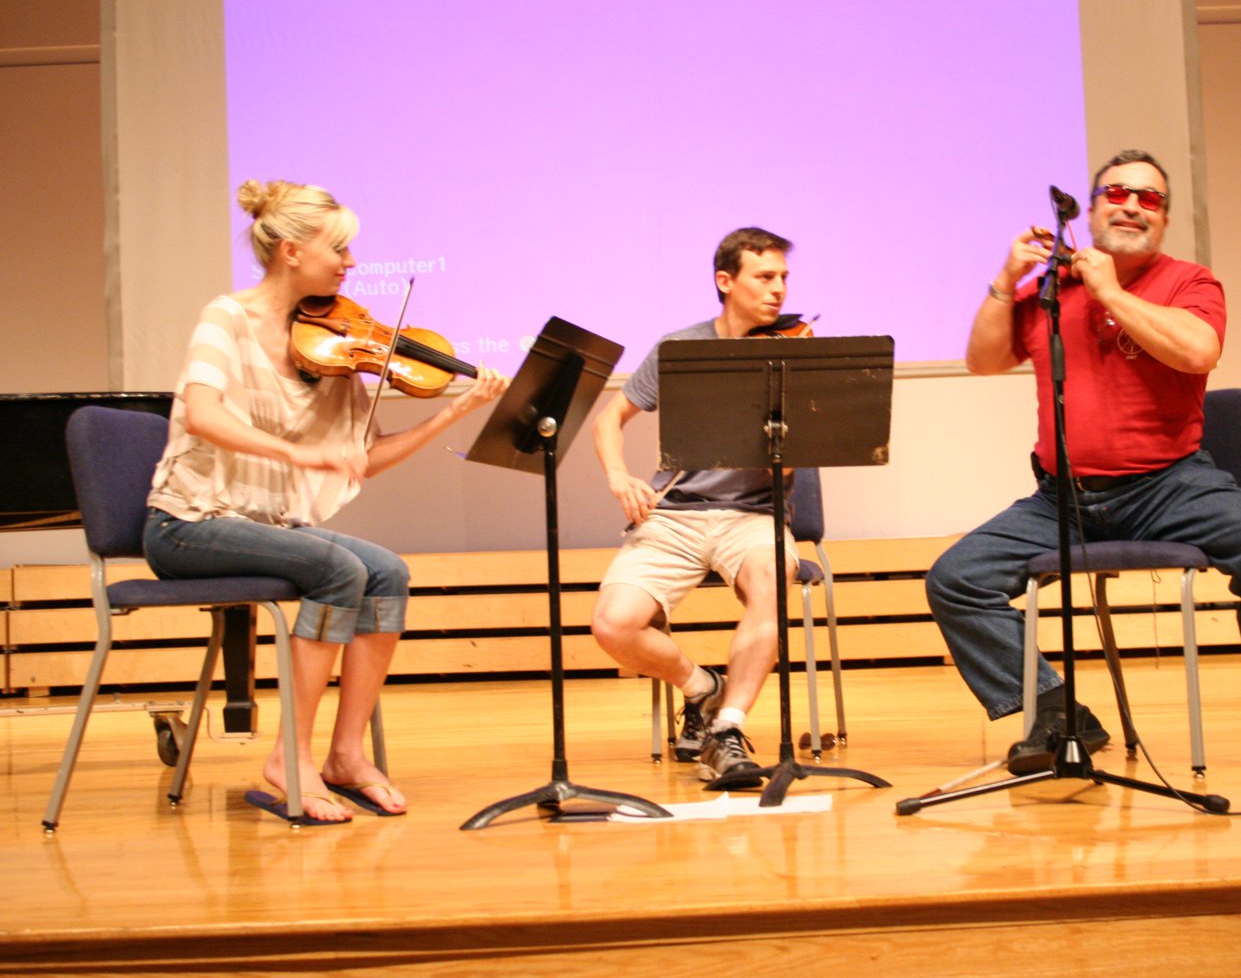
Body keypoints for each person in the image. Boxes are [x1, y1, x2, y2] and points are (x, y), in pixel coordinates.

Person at [925, 149, 1241, 774]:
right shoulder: (1049, 291)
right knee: (955, 579)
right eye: (1117, 194)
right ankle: (1058, 713)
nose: (1131, 206)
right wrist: (1005, 279)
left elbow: (1199, 352)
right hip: (1063, 500)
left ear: (1164, 219)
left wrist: (1109, 291)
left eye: (1149, 199)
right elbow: (983, 362)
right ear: (1092, 209)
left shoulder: (1190, 282)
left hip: (1170, 486)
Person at [144, 179, 509, 823]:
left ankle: (345, 755)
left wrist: (454, 412)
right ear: (290, 251)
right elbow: (201, 413)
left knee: (387, 571)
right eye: (338, 248)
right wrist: (298, 455)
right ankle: (290, 757)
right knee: (337, 569)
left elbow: (363, 456)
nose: (351, 263)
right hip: (188, 524)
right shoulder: (226, 318)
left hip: (263, 524)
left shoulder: (329, 343)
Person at [590, 226, 801, 788]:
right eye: (765, 277)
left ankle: (728, 728)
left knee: (772, 580)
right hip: (676, 513)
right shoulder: (680, 348)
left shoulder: (795, 351)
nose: (779, 289)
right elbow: (609, 419)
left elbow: (807, 457)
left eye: (783, 277)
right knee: (611, 624)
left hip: (754, 516)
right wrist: (619, 476)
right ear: (725, 281)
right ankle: (702, 687)